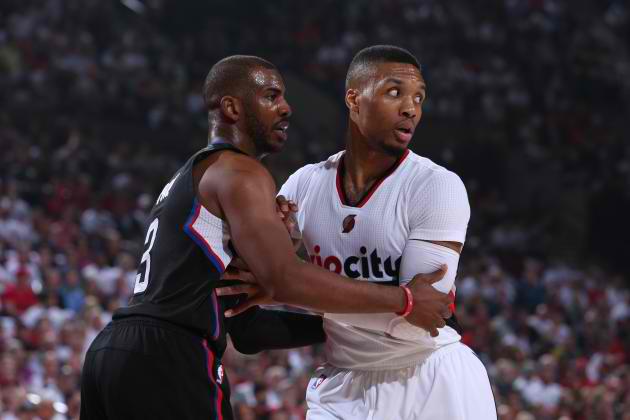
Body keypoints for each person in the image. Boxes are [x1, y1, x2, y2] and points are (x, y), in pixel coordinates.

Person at [80, 55, 453, 420]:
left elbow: (247, 329)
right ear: (232, 108)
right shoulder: (240, 171)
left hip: (112, 355)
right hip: (170, 355)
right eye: (271, 96)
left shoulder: (189, 177)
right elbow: (284, 278)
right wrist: (402, 301)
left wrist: (343, 328)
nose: (287, 108)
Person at [272, 45, 497, 419]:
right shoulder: (303, 184)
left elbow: (417, 322)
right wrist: (398, 297)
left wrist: (293, 283)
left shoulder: (436, 186)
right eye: (395, 92)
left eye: (419, 97)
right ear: (354, 99)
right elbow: (265, 278)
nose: (411, 108)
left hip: (431, 376)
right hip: (341, 384)